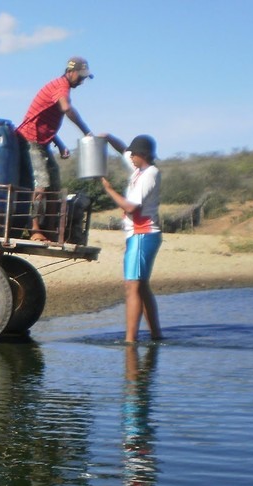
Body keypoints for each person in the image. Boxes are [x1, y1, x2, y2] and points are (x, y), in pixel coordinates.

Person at [17, 57, 94, 241]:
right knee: (42, 184)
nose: (82, 81)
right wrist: (87, 132)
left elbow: (44, 121)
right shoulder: (61, 87)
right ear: (70, 72)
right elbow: (67, 109)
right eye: (80, 76)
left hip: (42, 141)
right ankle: (34, 229)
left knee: (55, 185)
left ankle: (50, 229)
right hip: (29, 139)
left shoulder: (61, 87)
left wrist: (59, 144)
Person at [100, 134, 164, 343]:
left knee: (132, 286)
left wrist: (109, 190)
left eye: (135, 154)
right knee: (142, 286)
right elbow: (123, 150)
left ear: (143, 155)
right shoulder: (139, 169)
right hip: (139, 234)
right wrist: (108, 137)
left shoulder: (149, 175)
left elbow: (130, 206)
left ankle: (130, 340)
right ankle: (156, 335)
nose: (131, 157)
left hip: (142, 234)